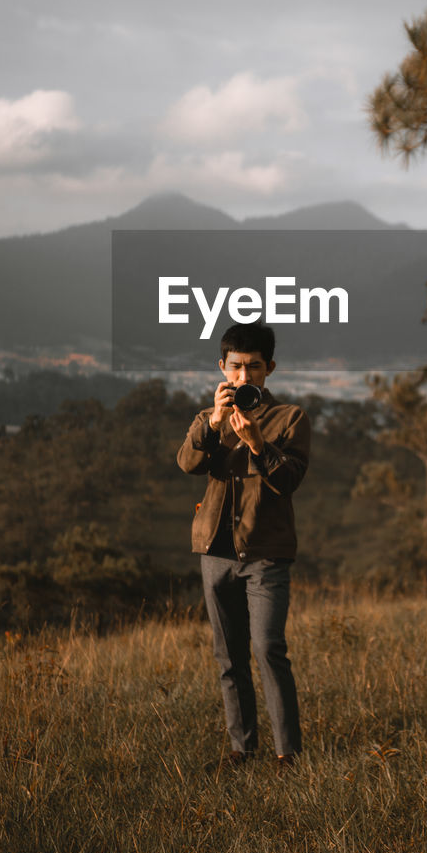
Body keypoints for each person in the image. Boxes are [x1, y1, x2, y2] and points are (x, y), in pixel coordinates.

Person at [177, 321, 311, 769]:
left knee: (267, 647)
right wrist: (215, 423)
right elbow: (188, 463)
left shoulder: (290, 418)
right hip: (215, 550)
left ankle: (287, 755)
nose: (244, 377)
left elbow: (289, 479)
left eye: (254, 367)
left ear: (270, 368)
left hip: (266, 551)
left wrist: (257, 442)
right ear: (222, 367)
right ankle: (241, 750)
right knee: (228, 654)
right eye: (236, 367)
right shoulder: (206, 419)